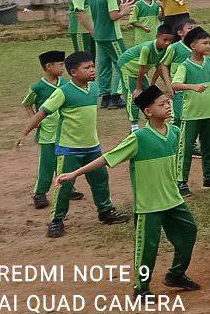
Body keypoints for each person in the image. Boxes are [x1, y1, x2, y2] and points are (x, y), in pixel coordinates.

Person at [56, 85, 200, 294]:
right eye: (162, 104)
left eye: (167, 102)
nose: (168, 106)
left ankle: (176, 274)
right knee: (147, 249)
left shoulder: (174, 133)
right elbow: (108, 157)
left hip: (174, 200)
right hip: (148, 205)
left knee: (189, 231)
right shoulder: (139, 138)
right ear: (148, 112)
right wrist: (75, 173)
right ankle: (141, 287)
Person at [17, 52, 129, 237]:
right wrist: (24, 132)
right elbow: (42, 112)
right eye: (87, 68)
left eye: (93, 66)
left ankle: (106, 212)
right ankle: (56, 220)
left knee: (100, 180)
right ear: (73, 72)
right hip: (69, 149)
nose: (92, 70)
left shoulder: (94, 89)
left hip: (93, 147)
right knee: (65, 185)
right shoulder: (63, 92)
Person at [176, 27, 210, 190]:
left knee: (208, 147)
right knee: (185, 149)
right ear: (193, 45)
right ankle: (181, 182)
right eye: (205, 43)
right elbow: (175, 84)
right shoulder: (185, 66)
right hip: (191, 115)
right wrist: (193, 86)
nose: (209, 46)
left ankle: (209, 177)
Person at [24, 49, 75, 209]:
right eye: (60, 65)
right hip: (47, 134)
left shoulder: (66, 84)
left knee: (65, 163)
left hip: (64, 133)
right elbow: (26, 104)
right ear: (48, 66)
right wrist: (34, 120)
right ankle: (40, 193)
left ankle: (67, 188)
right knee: (47, 164)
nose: (63, 68)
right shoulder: (38, 87)